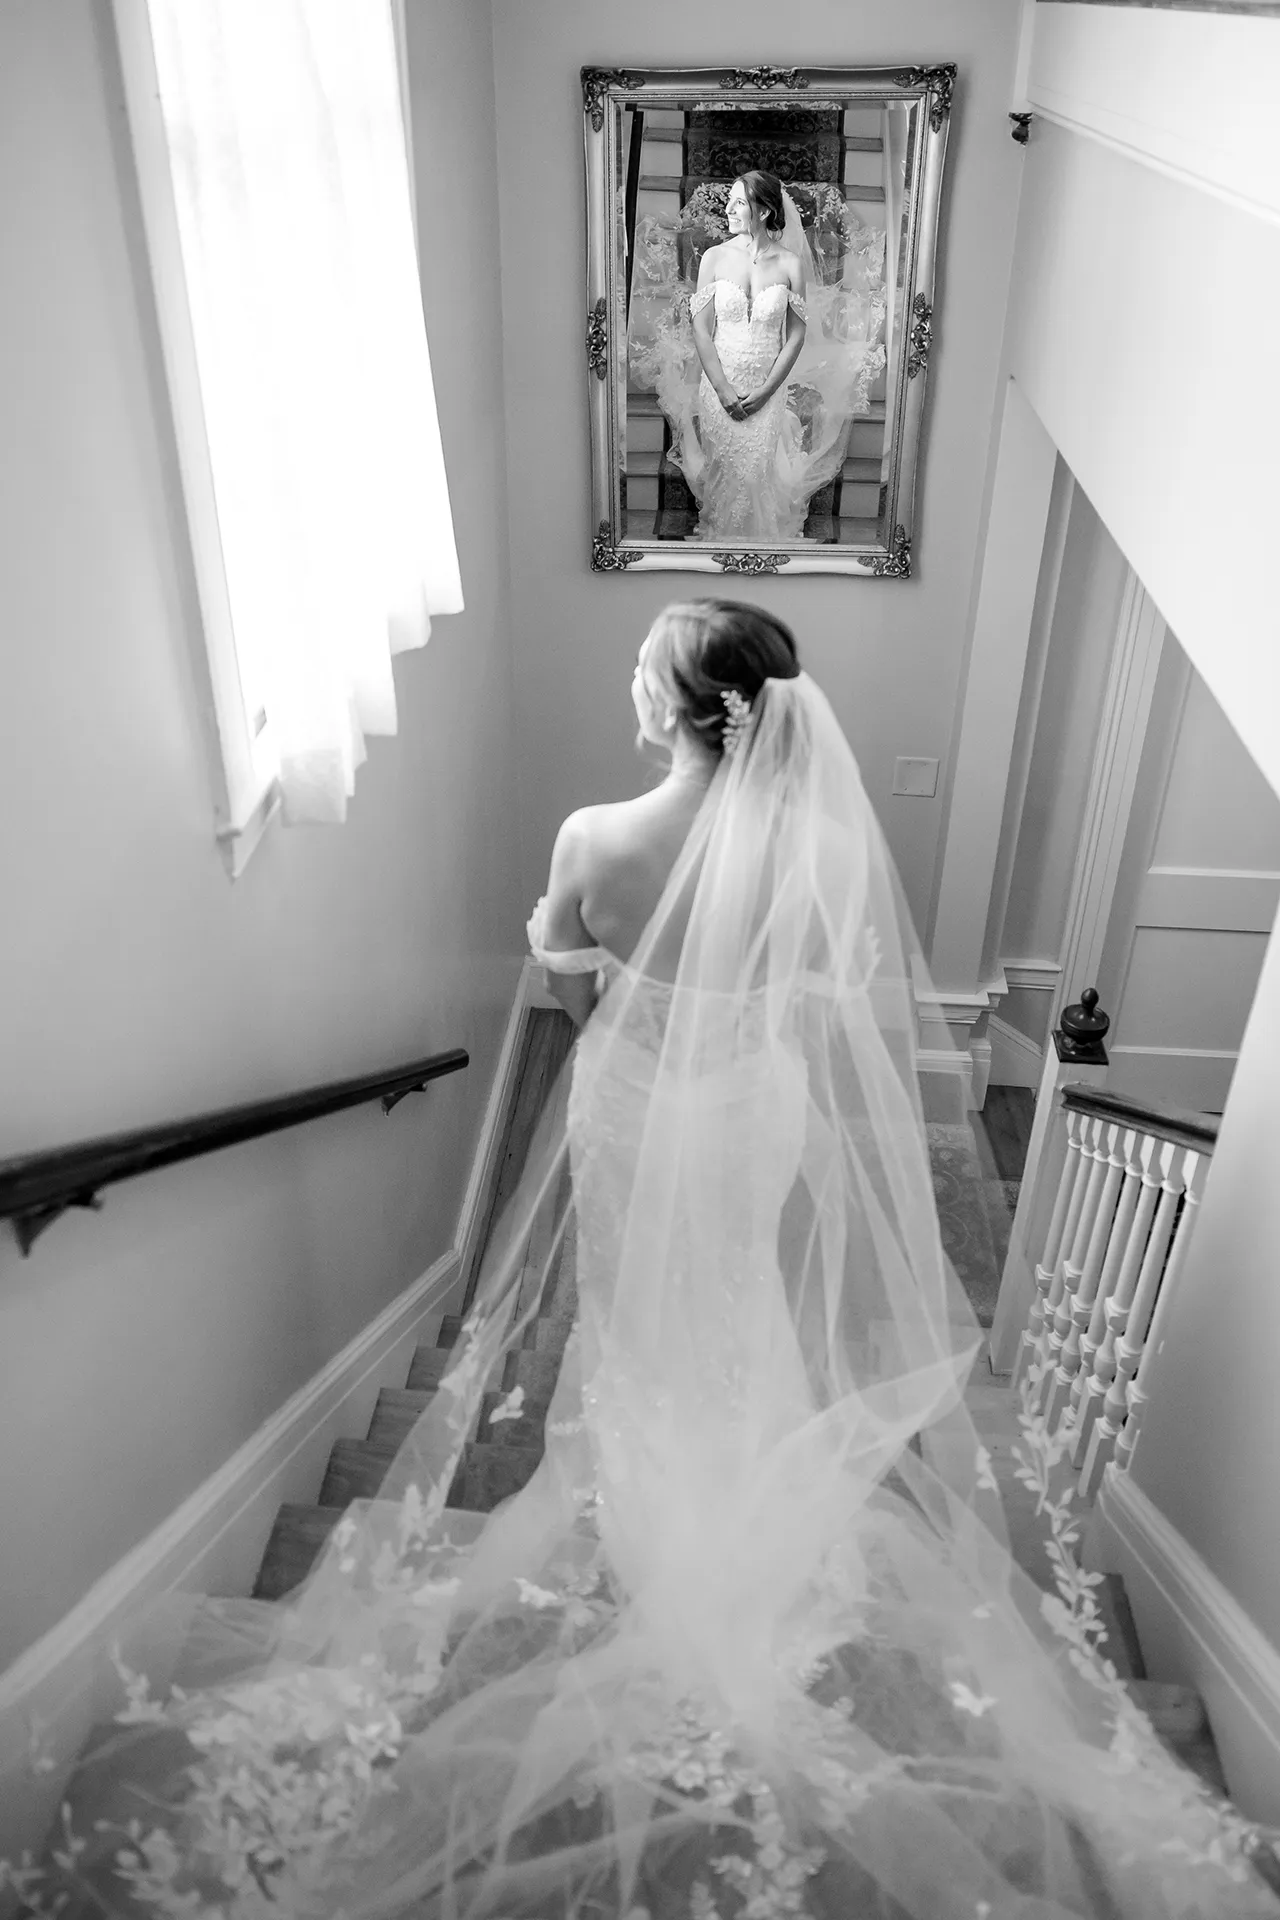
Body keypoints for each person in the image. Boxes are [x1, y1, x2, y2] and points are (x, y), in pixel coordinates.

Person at [8, 603, 1279, 1919]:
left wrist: (618, 975)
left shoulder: (593, 838)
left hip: (638, 1099)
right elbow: (833, 991)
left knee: (635, 1304)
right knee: (738, 1288)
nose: (627, 675)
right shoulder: (829, 847)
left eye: (639, 666)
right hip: (755, 1108)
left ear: (679, 703)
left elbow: (568, 987)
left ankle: (641, 1490)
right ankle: (741, 1498)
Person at [687, 172, 808, 541]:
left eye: (739, 202)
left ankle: (759, 552)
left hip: (767, 390)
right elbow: (701, 329)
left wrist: (768, 391)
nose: (728, 209)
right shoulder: (714, 257)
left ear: (766, 211)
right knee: (726, 474)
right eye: (731, 200)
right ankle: (720, 547)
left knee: (757, 475)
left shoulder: (790, 264)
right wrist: (723, 390)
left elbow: (796, 334)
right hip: (720, 387)